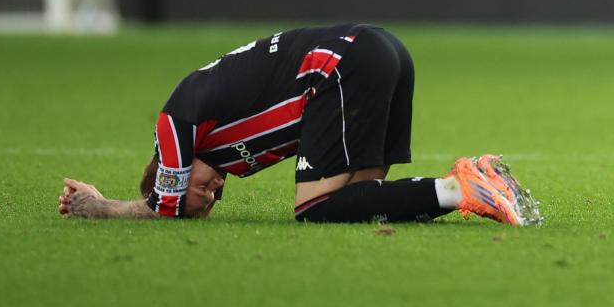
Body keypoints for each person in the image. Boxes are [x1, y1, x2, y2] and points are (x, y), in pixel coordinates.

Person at [58, 24, 541, 225]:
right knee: (356, 202)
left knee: (312, 207)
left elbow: (161, 208)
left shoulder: (176, 121)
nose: (215, 190)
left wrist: (103, 207)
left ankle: (461, 190)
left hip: (344, 62)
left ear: (172, 170)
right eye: (215, 197)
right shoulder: (230, 148)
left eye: (198, 191)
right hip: (380, 52)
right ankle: (479, 185)